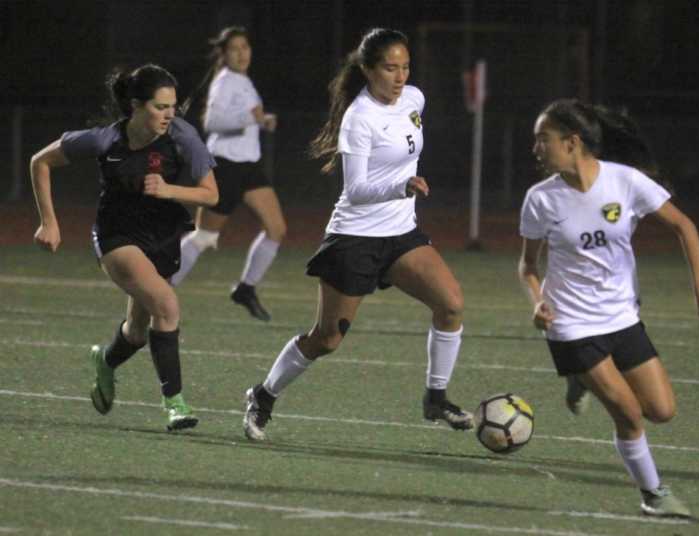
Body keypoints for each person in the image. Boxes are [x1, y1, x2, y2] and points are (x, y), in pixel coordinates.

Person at [240, 28, 473, 441]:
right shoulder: (359, 118)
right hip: (356, 238)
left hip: (401, 234)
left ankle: (435, 397)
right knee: (326, 339)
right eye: (389, 68)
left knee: (451, 304)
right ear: (367, 70)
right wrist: (401, 186)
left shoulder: (415, 99)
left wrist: (403, 191)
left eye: (405, 67)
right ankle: (263, 395)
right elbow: (356, 190)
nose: (400, 77)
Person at [518, 98, 699, 517]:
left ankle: (581, 380)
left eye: (544, 139)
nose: (536, 148)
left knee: (661, 411)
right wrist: (539, 300)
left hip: (622, 315)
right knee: (630, 415)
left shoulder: (624, 182)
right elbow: (527, 266)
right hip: (571, 324)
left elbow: (684, 226)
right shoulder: (541, 199)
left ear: (573, 142)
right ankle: (654, 494)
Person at [30, 64, 219, 431]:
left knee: (136, 330)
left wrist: (169, 190)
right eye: (160, 107)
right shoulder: (106, 139)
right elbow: (41, 161)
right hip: (117, 237)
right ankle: (175, 404)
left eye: (173, 107)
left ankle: (106, 360)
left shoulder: (183, 137)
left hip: (162, 239)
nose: (169, 115)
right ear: (136, 105)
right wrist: (49, 221)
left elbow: (211, 194)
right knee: (167, 305)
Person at [170, 26, 286, 322]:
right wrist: (251, 117)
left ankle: (245, 289)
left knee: (277, 228)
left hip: (249, 166)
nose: (242, 53)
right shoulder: (224, 81)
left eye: (245, 47)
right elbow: (212, 121)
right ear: (223, 54)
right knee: (205, 237)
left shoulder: (243, 81)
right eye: (234, 48)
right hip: (226, 164)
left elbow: (246, 119)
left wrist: (263, 121)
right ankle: (161, 287)